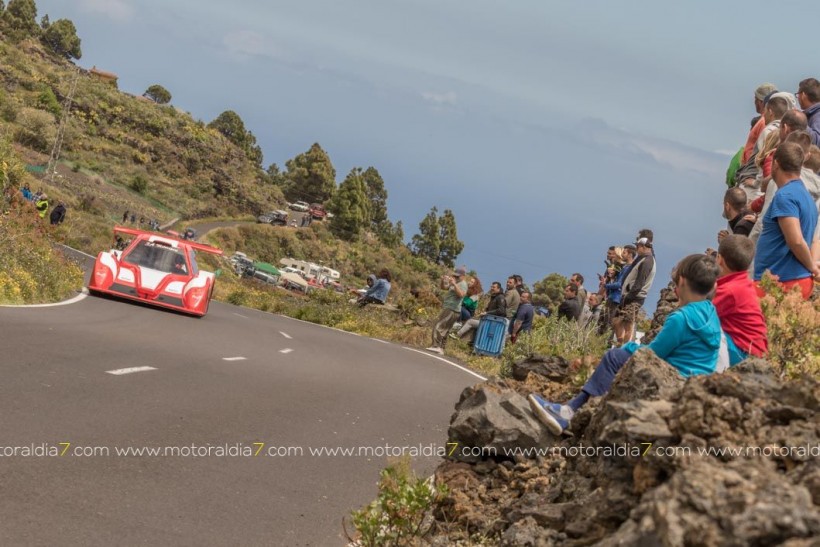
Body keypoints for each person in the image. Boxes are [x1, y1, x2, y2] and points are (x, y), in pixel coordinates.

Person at [529, 254, 724, 435]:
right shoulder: (711, 312)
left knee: (614, 357)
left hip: (675, 381)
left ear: (681, 282)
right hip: (696, 385)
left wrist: (627, 347)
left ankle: (570, 412)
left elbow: (653, 354)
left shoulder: (681, 318)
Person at [753, 142, 820, 299]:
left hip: (779, 282)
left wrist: (812, 267)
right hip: (790, 280)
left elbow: (795, 241)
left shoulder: (786, 196)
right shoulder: (805, 196)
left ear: (776, 164)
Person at [713, 235, 768, 363]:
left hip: (742, 353)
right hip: (752, 352)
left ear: (719, 259)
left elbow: (700, 313)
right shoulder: (743, 283)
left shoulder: (729, 290)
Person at [616, 237, 656, 344]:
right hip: (630, 296)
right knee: (618, 322)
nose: (636, 248)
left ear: (643, 247)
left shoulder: (647, 261)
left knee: (628, 325)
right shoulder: (643, 258)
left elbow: (639, 283)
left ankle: (623, 348)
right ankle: (620, 346)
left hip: (634, 298)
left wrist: (628, 296)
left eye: (637, 246)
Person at [426, 267, 468, 354]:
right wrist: (443, 281)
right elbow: (444, 288)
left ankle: (435, 346)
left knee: (439, 325)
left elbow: (461, 295)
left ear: (463, 276)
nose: (456, 277)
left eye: (458, 276)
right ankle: (441, 348)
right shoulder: (456, 282)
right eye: (455, 276)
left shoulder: (463, 284)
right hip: (449, 307)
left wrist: (454, 284)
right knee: (445, 329)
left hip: (452, 308)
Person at [797, 78, 820, 146]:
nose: (797, 97)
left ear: (803, 95)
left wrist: (799, 122)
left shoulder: (818, 115)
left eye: (798, 94)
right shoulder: (813, 114)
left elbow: (817, 141)